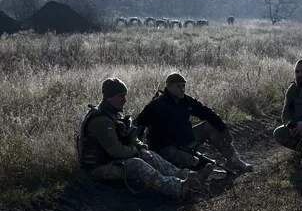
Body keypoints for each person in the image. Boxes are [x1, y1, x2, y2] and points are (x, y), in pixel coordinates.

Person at [78, 78, 213, 200]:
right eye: (121, 96)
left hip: (111, 161)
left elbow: (130, 137)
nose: (124, 100)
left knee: (147, 154)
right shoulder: (101, 120)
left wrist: (140, 146)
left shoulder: (113, 114)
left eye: (125, 95)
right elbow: (116, 151)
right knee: (136, 164)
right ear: (109, 97)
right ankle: (179, 189)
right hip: (97, 168)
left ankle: (187, 176)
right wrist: (135, 150)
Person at [134, 73, 252, 174]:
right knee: (198, 164)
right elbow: (138, 124)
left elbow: (206, 112)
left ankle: (234, 160)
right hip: (166, 148)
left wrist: (223, 129)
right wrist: (140, 149)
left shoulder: (186, 100)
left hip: (186, 141)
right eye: (178, 86)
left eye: (183, 86)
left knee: (209, 126)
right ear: (169, 87)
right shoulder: (156, 105)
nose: (182, 89)